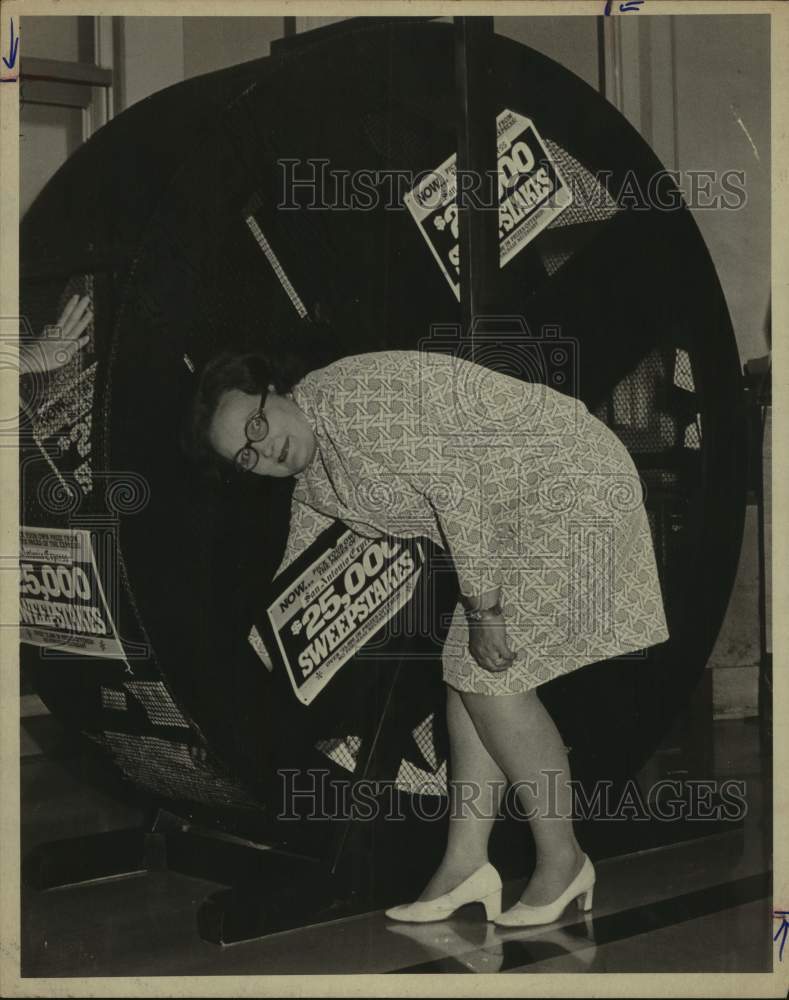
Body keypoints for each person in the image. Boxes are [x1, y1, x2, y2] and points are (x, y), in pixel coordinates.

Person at [186, 347, 670, 927]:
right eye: (246, 456)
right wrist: (246, 673)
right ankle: (465, 866)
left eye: (256, 426)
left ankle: (564, 862)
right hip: (509, 521)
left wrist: (484, 609)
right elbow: (296, 575)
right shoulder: (315, 479)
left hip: (568, 483)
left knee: (495, 682)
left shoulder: (348, 399)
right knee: (463, 677)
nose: (264, 451)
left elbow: (456, 485)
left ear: (276, 387)